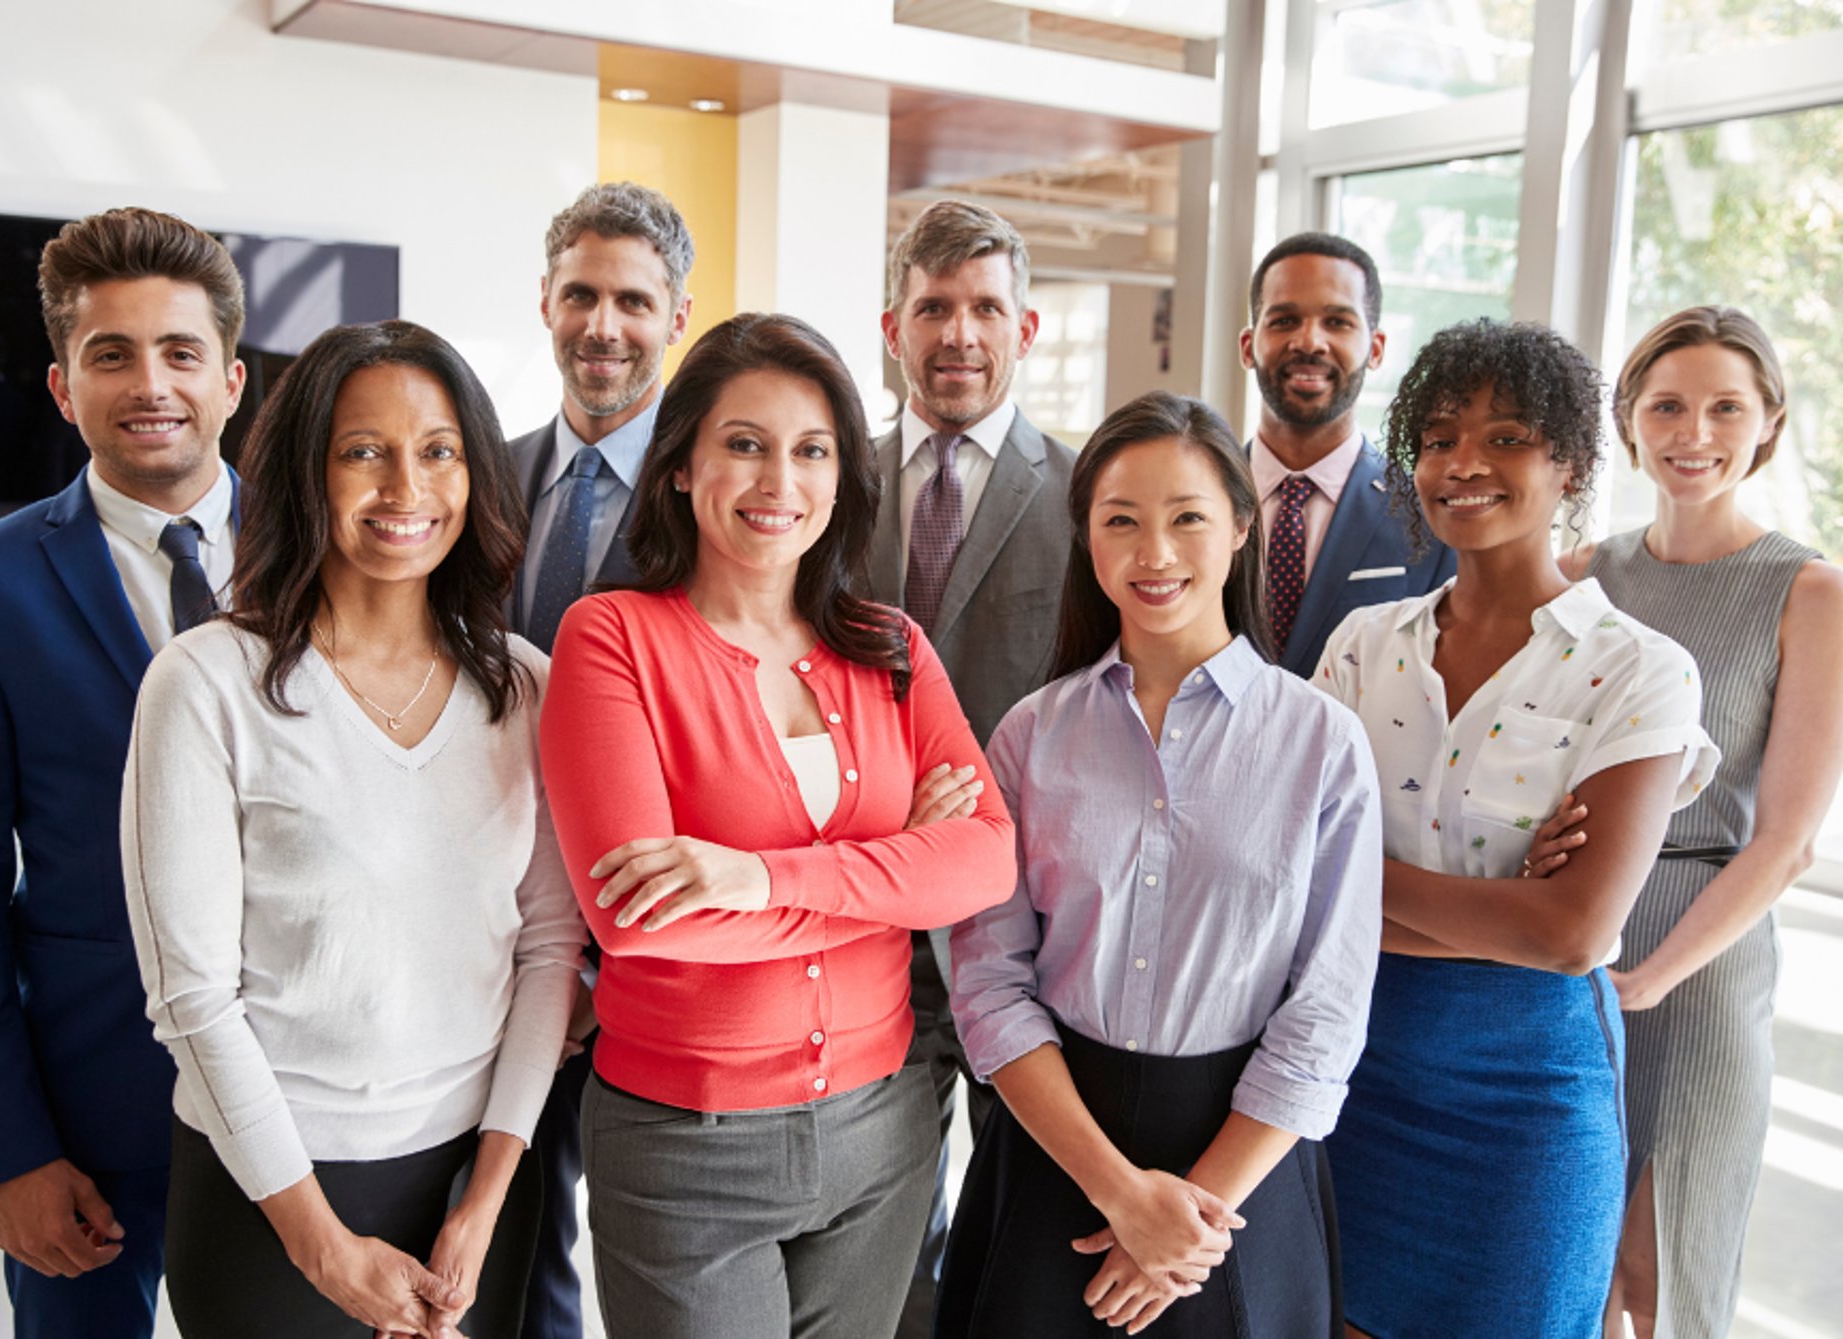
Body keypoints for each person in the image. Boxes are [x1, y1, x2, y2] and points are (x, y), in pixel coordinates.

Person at [542, 311, 1018, 1339]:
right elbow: (638, 921)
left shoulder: (891, 649)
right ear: (681, 465)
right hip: (685, 1149)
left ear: (843, 477)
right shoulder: (612, 639)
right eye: (744, 445)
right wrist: (895, 872)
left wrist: (754, 879)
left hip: (880, 1137)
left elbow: (985, 860)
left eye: (812, 451)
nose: (779, 482)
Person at [120, 320, 586, 1338]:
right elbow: (191, 996)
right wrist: (322, 1247)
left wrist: (484, 1199)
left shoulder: (527, 687)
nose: (405, 488)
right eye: (363, 451)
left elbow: (551, 950)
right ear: (305, 473)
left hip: (473, 1187)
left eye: (438, 451)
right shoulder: (205, 685)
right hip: (268, 1194)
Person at [938, 391, 1383, 1338]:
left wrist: (1188, 1218)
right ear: (1086, 536)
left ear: (1240, 524)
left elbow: (1328, 1010)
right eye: (1121, 521)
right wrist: (1121, 1195)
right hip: (1056, 1156)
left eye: (1187, 517)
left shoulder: (1322, 743)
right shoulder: (1029, 735)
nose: (1155, 553)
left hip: (1242, 1176)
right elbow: (988, 982)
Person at [1314, 319, 1720, 1338]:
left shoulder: (1640, 667)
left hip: (1526, 1096)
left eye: (1506, 438)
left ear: (1571, 463)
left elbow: (1573, 935)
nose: (1463, 464)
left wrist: (1353, 884)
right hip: (1346, 1067)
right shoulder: (1364, 645)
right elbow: (1286, 882)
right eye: (1441, 437)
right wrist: (1502, 907)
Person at [0, 206, 248, 1339]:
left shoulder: (334, 558)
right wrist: (8, 1149)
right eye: (110, 354)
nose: (148, 382)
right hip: (91, 1107)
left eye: (178, 352)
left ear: (231, 381)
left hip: (318, 1099)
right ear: (64, 387)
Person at [1561, 307, 1843, 1339]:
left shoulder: (1808, 591)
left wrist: (1653, 978)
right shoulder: (1585, 574)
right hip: (1575, 941)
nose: (1694, 430)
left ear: (1767, 422)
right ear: (1631, 423)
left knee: (1665, 1274)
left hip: (1704, 962)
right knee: (1574, 1264)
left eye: (1727, 406)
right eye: (1667, 404)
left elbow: (1787, 842)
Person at [865, 200, 1079, 1335]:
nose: (958, 332)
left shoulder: (1090, 493)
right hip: (861, 935)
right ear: (890, 323)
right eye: (934, 306)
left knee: (1024, 1232)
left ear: (1026, 325)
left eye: (984, 307)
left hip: (1024, 931)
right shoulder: (827, 478)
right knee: (881, 1228)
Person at [507, 180, 694, 1339]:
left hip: (648, 956)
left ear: (678, 316)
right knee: (514, 1252)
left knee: (647, 1268)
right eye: (581, 293)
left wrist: (592, 965)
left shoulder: (719, 492)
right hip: (487, 948)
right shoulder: (479, 471)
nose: (603, 324)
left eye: (633, 299)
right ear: (544, 302)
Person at [1239, 233, 1454, 676]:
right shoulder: (1194, 501)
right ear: (1248, 345)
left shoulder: (1429, 517)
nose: (1310, 342)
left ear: (1375, 349)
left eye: (1337, 322)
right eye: (1284, 320)